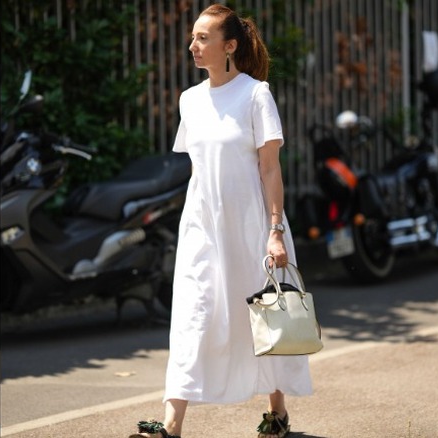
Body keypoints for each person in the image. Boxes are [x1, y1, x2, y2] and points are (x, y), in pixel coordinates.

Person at [129, 4, 313, 438]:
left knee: (264, 316)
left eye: (203, 38)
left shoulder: (255, 94)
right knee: (193, 315)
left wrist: (274, 231)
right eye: (193, 38)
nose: (192, 46)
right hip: (203, 227)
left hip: (252, 226)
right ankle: (171, 427)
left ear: (229, 46)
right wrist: (196, 219)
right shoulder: (189, 100)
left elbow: (270, 168)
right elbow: (200, 168)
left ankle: (277, 410)